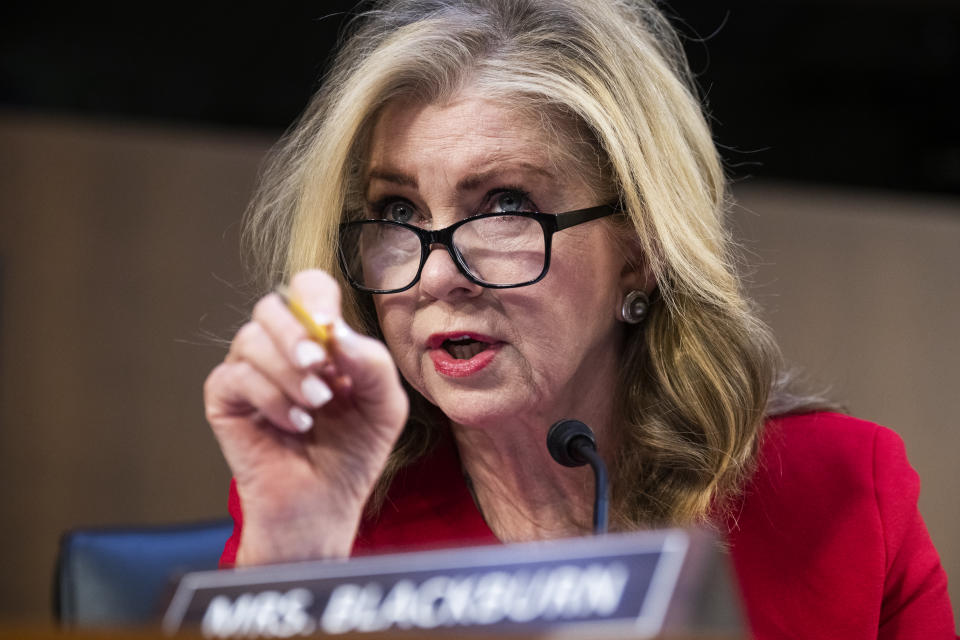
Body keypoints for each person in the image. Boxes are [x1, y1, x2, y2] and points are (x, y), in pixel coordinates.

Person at [203, 0, 956, 637]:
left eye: (504, 205)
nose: (434, 275)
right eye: (396, 211)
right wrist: (294, 563)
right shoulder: (332, 504)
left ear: (641, 247)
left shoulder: (842, 493)